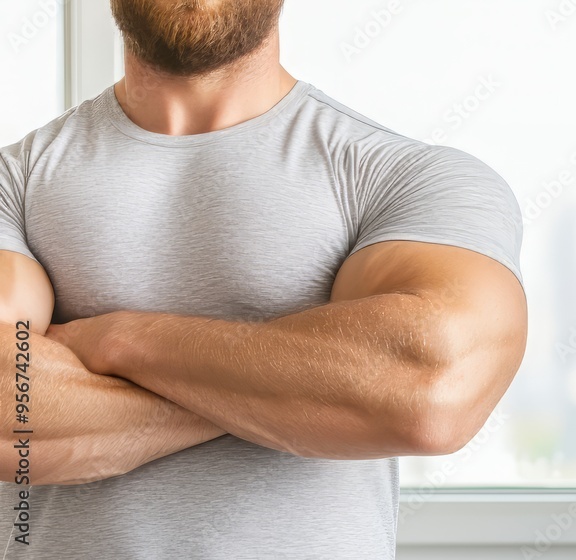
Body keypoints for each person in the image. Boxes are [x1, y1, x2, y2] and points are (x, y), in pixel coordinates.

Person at [0, 0, 527, 557]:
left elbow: (429, 389)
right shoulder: (15, 183)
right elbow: (11, 426)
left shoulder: (411, 178)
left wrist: (118, 341)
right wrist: (317, 396)